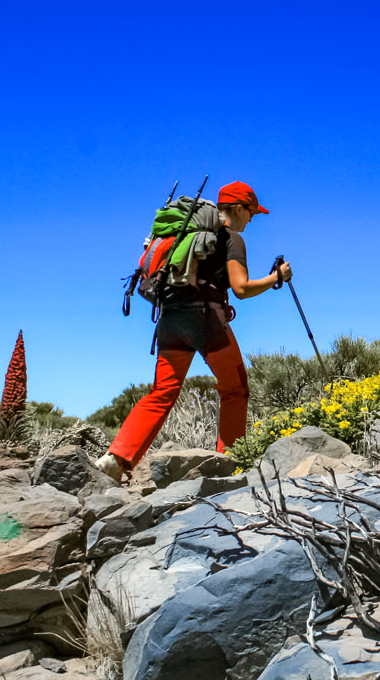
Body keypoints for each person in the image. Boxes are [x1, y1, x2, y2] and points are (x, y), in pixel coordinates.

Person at [96, 181, 292, 481]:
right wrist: (275, 277)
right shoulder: (231, 238)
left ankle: (117, 458)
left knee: (162, 391)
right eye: (252, 212)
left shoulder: (182, 235)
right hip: (206, 319)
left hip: (170, 319)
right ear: (238, 208)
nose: (252, 218)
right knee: (235, 389)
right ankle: (232, 463)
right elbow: (241, 289)